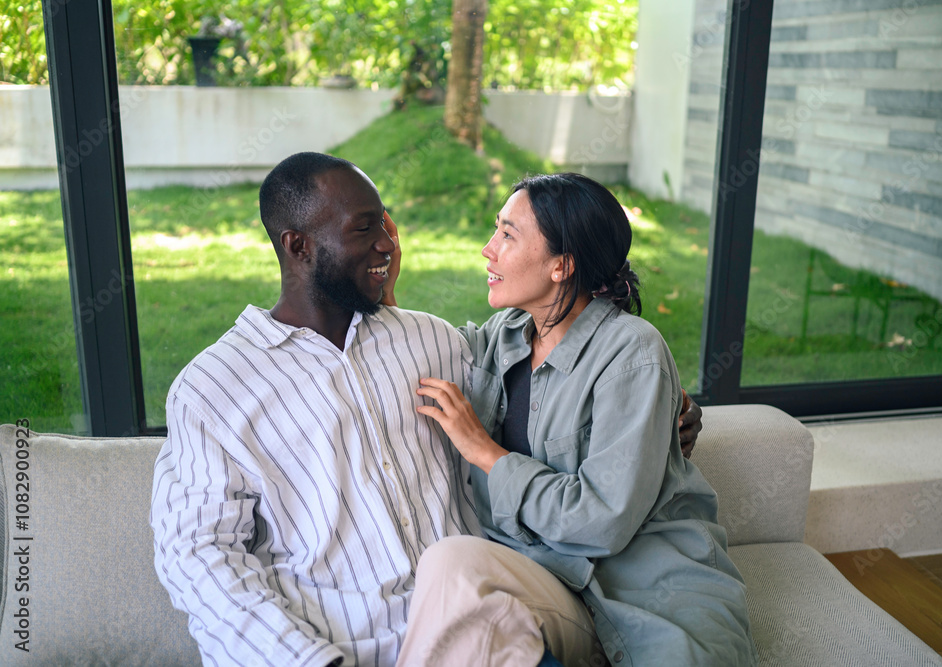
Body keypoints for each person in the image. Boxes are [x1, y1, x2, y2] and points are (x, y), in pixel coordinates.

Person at [150, 152, 705, 667]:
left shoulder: (439, 344)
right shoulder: (212, 389)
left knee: (457, 571)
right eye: (366, 230)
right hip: (344, 644)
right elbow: (196, 556)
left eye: (385, 227)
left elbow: (579, 404)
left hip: (501, 615)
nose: (389, 244)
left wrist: (661, 414)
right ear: (299, 247)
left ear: (562, 263)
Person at [399, 173, 757, 666]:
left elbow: (603, 522)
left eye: (507, 234)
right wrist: (384, 282)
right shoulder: (504, 334)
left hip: (645, 595)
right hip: (550, 582)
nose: (488, 249)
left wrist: (486, 452)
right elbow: (413, 349)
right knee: (450, 564)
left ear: (561, 266)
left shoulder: (633, 353)